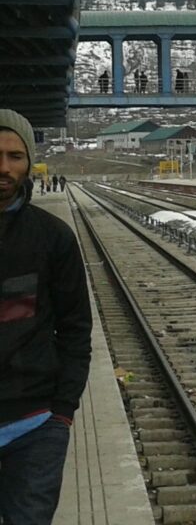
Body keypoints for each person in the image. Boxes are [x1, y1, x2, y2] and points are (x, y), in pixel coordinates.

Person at [0, 109, 92, 525]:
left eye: (14, 156)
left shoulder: (53, 237)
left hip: (35, 425)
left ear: (29, 162)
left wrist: (62, 413)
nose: (3, 167)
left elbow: (75, 328)